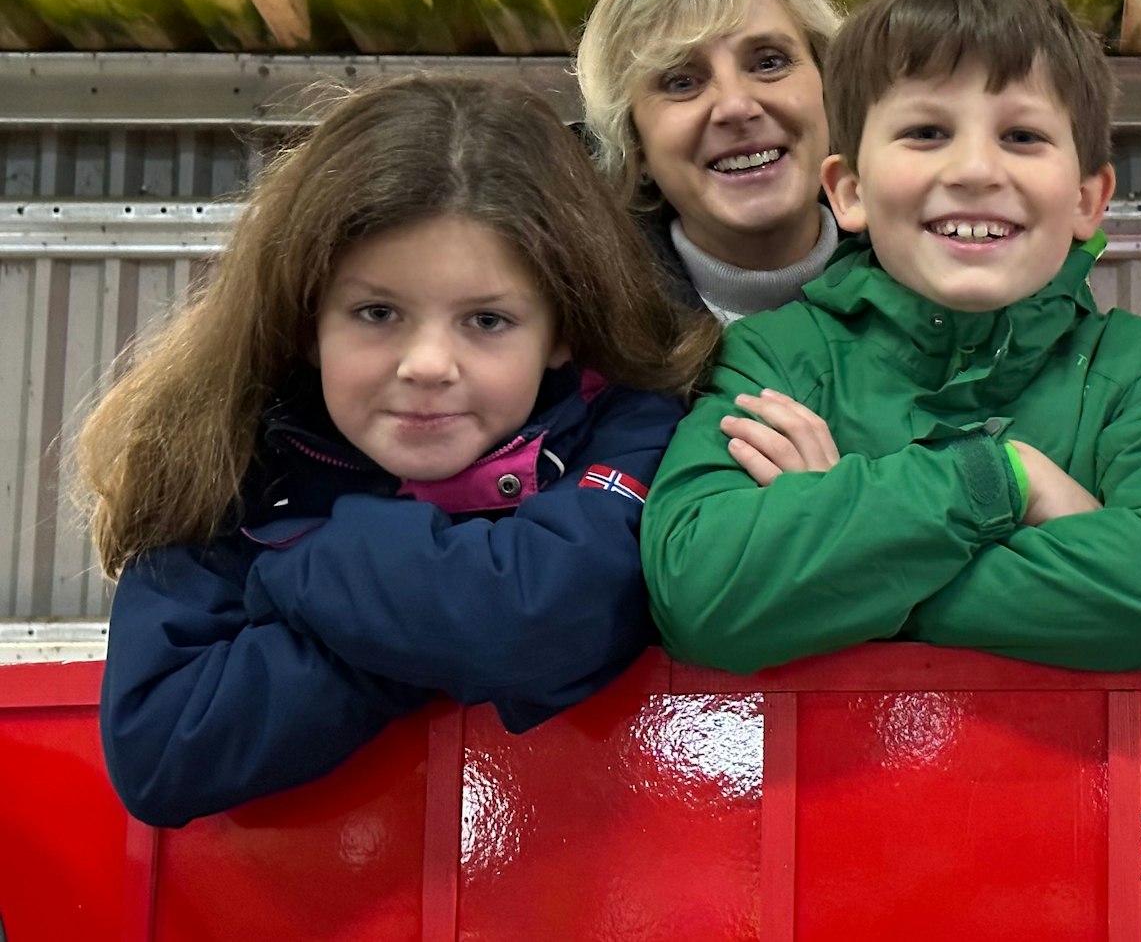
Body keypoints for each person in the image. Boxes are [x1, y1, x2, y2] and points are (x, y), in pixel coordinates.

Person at [79, 76, 717, 827]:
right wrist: (445, 631)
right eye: (377, 312)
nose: (427, 363)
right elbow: (161, 745)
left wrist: (310, 569)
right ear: (305, 317)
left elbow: (537, 621)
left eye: (486, 320)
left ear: (563, 328)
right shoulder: (224, 461)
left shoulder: (637, 427)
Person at [640, 0, 1141, 674]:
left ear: (1088, 199)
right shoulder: (774, 356)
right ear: (851, 190)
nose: (975, 170)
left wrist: (840, 565)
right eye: (927, 132)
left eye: (1022, 136)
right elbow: (699, 591)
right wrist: (1000, 477)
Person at [576, 0, 846, 323]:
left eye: (769, 62)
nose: (736, 106)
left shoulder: (946, 297)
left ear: (829, 87)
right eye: (681, 82)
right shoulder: (585, 341)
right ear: (634, 144)